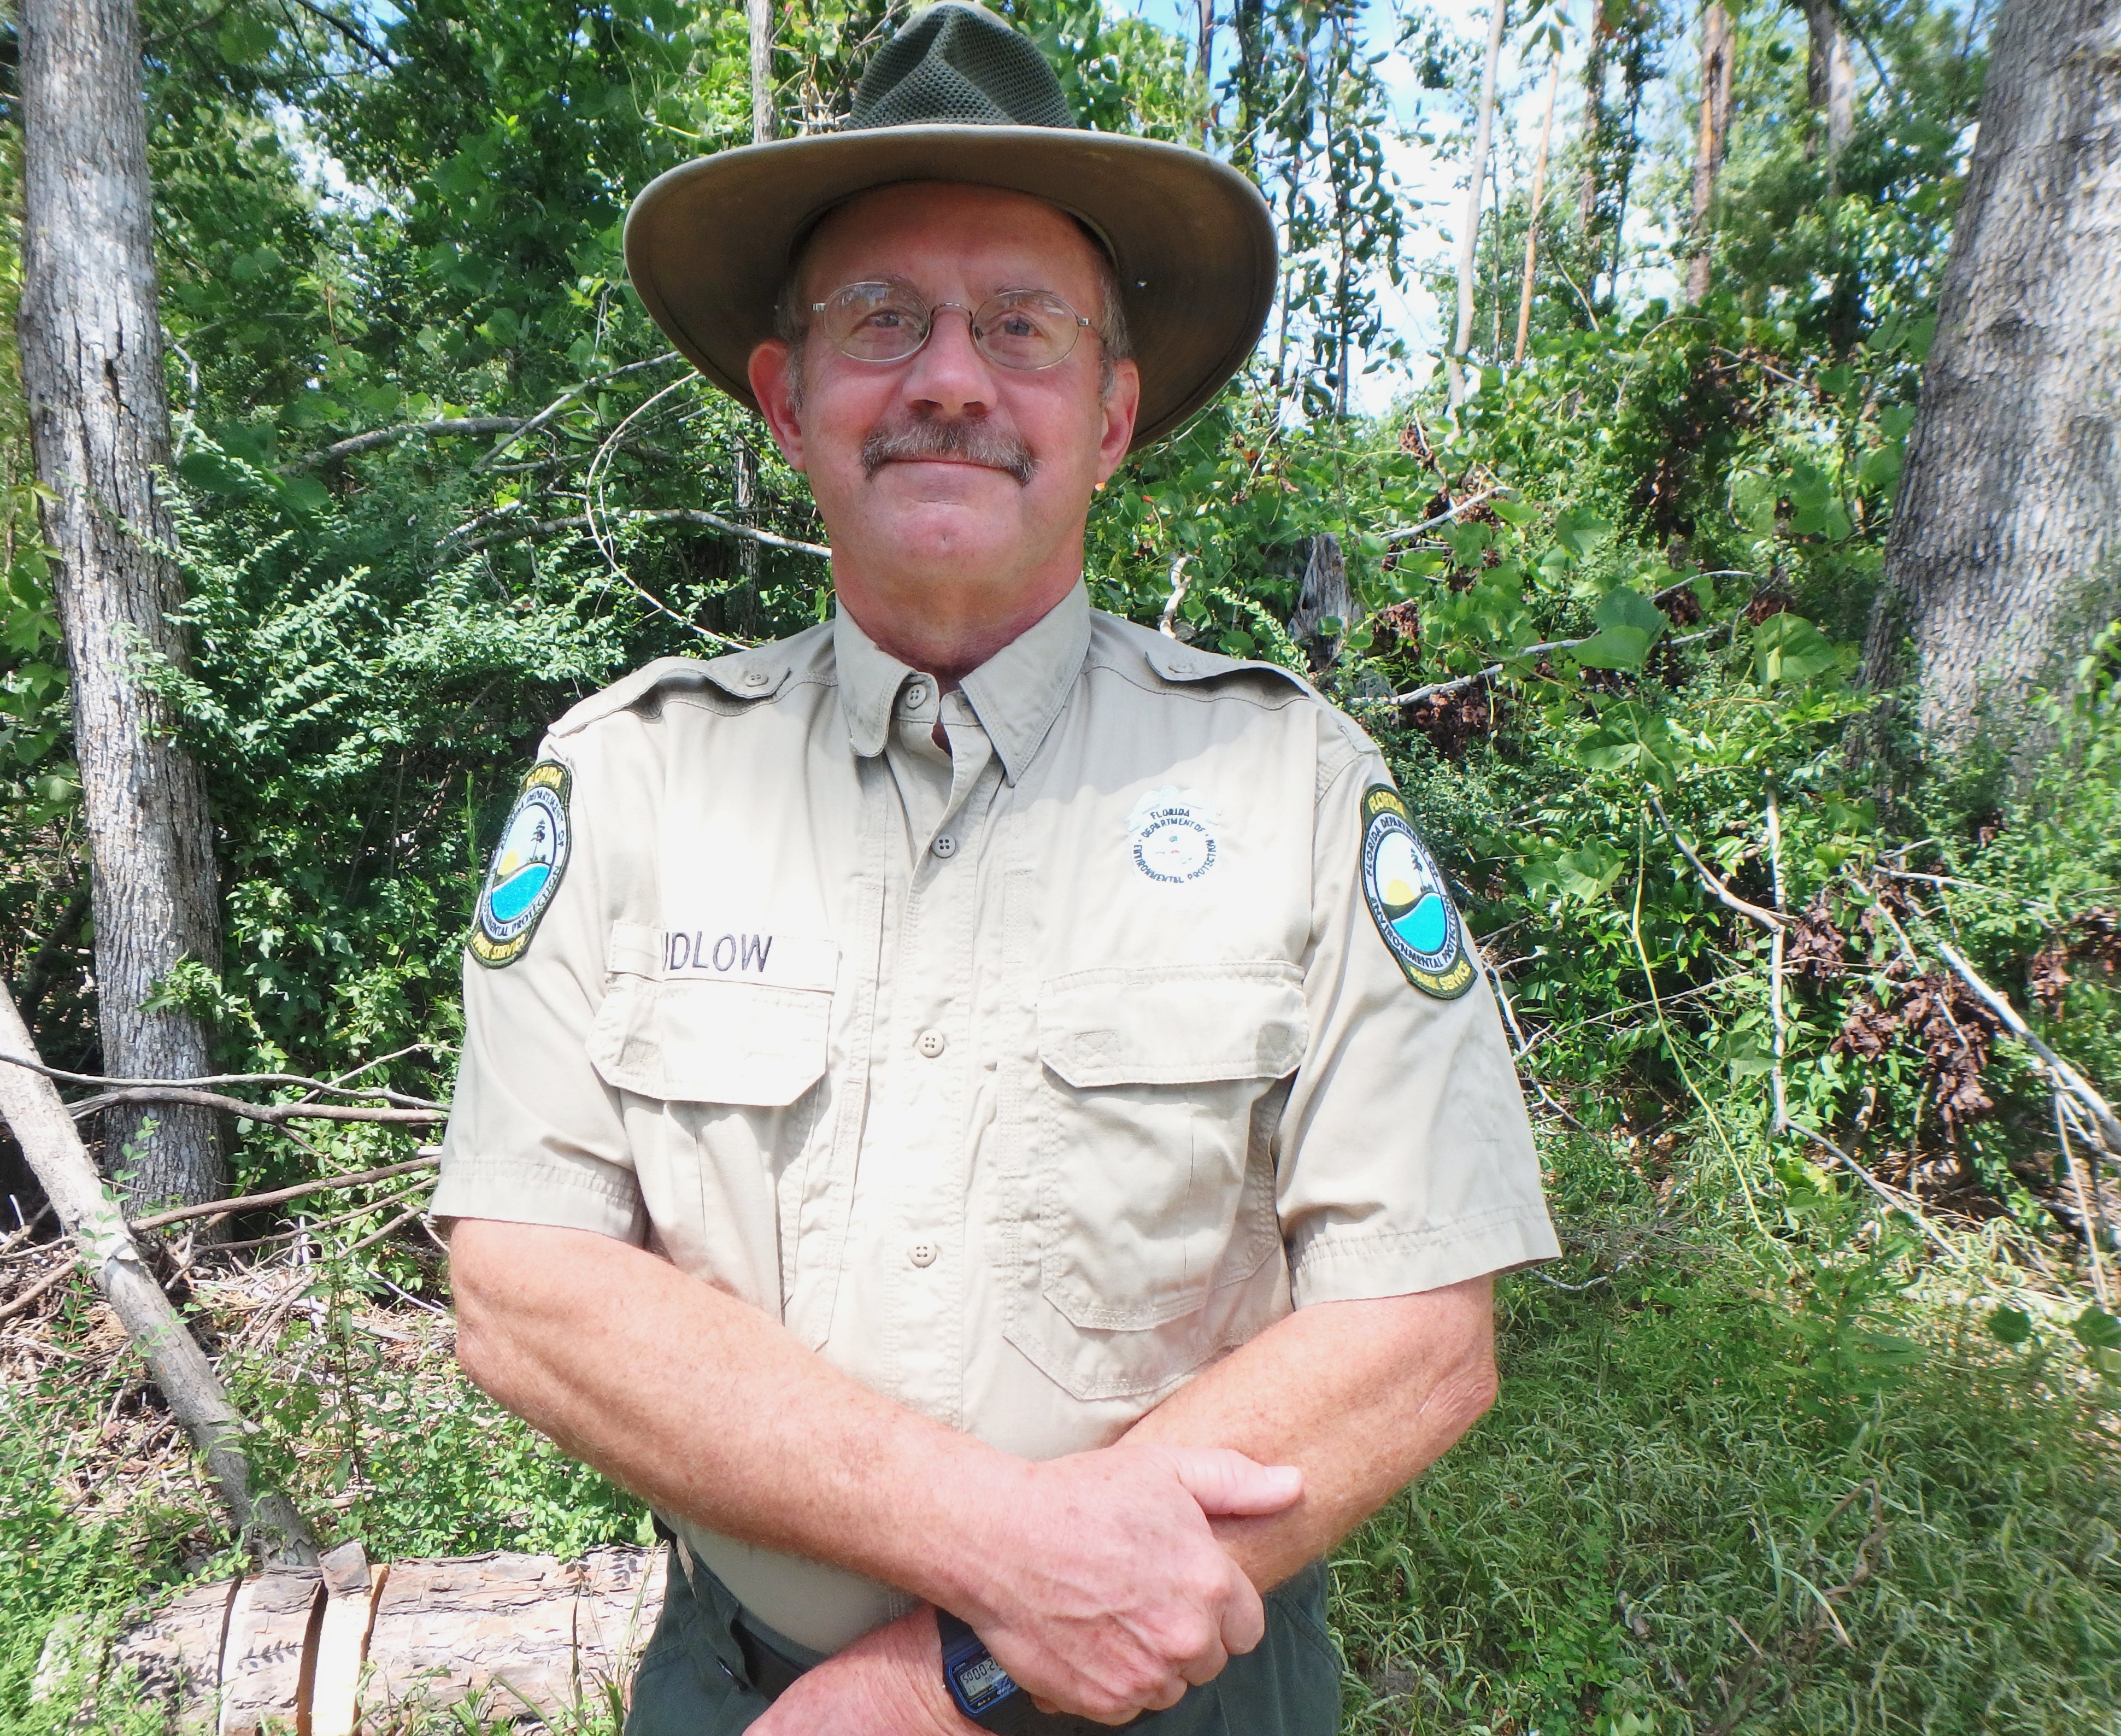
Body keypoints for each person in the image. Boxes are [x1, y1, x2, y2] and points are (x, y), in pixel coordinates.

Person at [432, 7, 1560, 1731]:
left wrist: (934, 1677)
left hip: (1180, 1698)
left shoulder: (1289, 783)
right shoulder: (632, 780)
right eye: (882, 320)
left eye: (1019, 327)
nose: (949, 375)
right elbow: (528, 1292)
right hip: (743, 1688)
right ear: (785, 398)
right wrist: (1005, 1556)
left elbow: (1417, 1330)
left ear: (1108, 419)